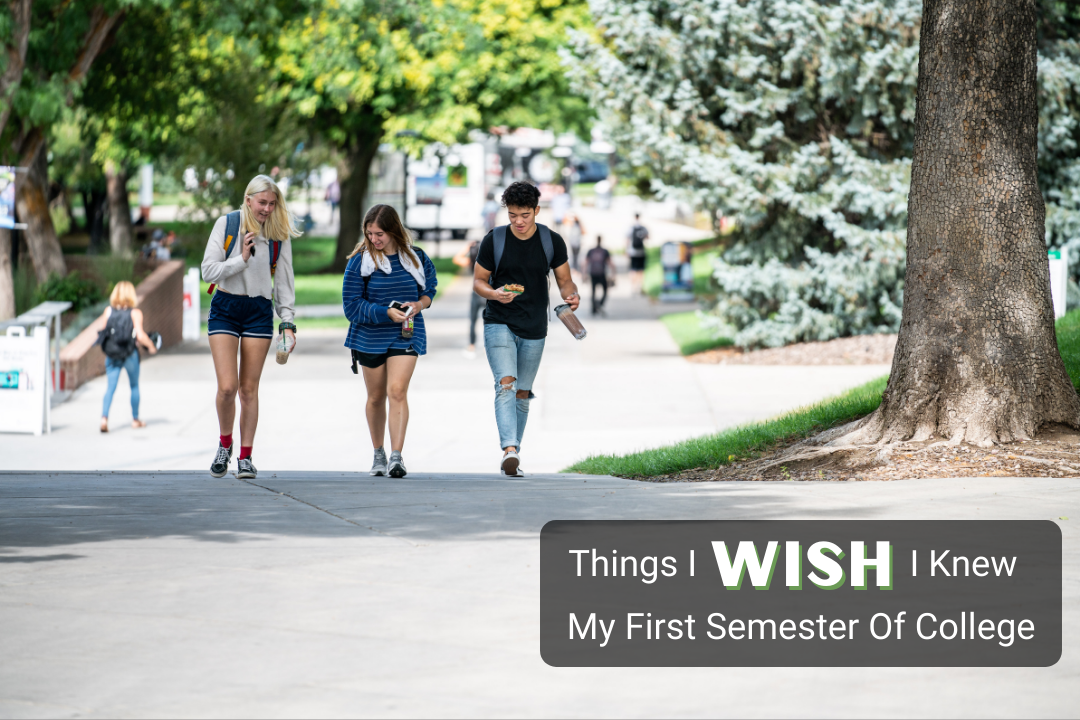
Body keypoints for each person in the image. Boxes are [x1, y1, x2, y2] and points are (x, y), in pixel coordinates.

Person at [472, 181, 579, 476]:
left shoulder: (551, 241)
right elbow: (479, 281)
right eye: (513, 215)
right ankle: (509, 448)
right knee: (506, 384)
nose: (518, 222)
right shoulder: (494, 239)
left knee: (522, 392)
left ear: (537, 210)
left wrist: (572, 295)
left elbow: (564, 280)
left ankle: (513, 454)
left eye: (525, 215)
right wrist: (494, 294)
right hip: (499, 321)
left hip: (534, 325)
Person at [201, 174, 300, 480]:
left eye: (272, 203)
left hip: (258, 310)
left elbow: (284, 282)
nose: (267, 209)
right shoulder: (227, 225)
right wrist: (240, 259)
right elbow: (208, 271)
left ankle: (246, 457)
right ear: (248, 200)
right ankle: (224, 443)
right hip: (226, 307)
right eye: (262, 202)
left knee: (248, 390)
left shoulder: (278, 234)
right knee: (227, 387)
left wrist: (288, 322)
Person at [343, 204, 437, 478]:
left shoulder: (416, 258)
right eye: (370, 233)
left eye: (380, 233)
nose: (374, 239)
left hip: (406, 332)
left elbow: (429, 288)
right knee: (375, 397)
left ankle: (396, 457)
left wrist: (420, 304)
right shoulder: (360, 261)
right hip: (369, 337)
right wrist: (383, 312)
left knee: (396, 391)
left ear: (394, 230)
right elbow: (351, 306)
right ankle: (378, 454)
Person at [92, 280, 157, 432]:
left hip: (112, 354)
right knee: (134, 385)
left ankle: (104, 419)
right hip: (129, 354)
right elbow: (140, 336)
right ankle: (135, 419)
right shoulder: (135, 313)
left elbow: (104, 332)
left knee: (110, 388)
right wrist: (151, 346)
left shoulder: (108, 311)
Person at [453, 237, 485, 359]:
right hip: (488, 292)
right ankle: (486, 347)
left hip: (476, 293)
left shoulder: (472, 262)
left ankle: (471, 346)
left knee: (473, 320)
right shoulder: (489, 264)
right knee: (489, 321)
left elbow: (457, 259)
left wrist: (468, 247)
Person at [585, 235, 615, 316]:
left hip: (593, 273)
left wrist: (584, 274)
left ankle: (593, 309)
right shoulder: (604, 251)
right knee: (605, 290)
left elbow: (585, 263)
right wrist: (613, 273)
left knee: (593, 292)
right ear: (601, 240)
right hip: (602, 273)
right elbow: (610, 263)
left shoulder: (591, 251)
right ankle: (600, 304)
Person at [627, 213, 649, 294]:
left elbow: (627, 239)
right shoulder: (643, 228)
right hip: (641, 251)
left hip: (633, 252)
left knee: (632, 269)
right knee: (641, 270)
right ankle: (640, 286)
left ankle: (633, 287)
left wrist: (626, 250)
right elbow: (648, 237)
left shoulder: (631, 228)